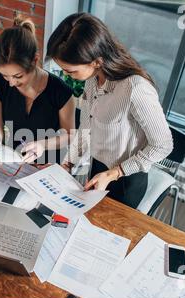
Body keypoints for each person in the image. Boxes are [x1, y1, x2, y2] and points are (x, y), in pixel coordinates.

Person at [46, 13, 173, 209]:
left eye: (70, 71)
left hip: (124, 180)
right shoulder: (91, 80)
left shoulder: (135, 89)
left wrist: (114, 173)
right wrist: (67, 165)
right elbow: (86, 129)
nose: (65, 75)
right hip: (97, 168)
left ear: (96, 61)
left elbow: (163, 145)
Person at [0, 16, 75, 165]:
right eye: (5, 76)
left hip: (49, 166)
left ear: (35, 60)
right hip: (13, 162)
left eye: (18, 76)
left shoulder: (61, 91)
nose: (11, 83)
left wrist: (42, 144)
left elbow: (69, 135)